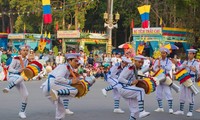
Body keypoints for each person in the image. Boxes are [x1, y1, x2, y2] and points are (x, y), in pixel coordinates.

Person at [41, 53, 81, 120]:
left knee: (61, 109)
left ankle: (57, 94)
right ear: (69, 61)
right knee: (74, 90)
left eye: (78, 61)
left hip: (47, 88)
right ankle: (57, 93)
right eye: (75, 61)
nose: (77, 63)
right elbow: (58, 78)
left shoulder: (67, 68)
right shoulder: (64, 67)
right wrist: (70, 82)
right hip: (52, 85)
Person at [117, 55, 150, 120]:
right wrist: (130, 82)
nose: (140, 64)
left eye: (142, 63)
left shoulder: (135, 68)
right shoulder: (130, 67)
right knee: (141, 91)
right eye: (139, 62)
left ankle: (139, 112)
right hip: (123, 88)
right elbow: (120, 78)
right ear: (135, 61)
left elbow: (135, 79)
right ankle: (142, 111)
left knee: (135, 110)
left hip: (127, 89)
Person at [2, 45, 30, 119]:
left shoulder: (27, 60)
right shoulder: (16, 58)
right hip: (11, 76)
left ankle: (22, 112)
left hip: (19, 79)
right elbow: (10, 69)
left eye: (27, 50)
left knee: (26, 95)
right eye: (24, 50)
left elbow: (26, 72)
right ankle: (8, 87)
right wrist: (17, 71)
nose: (25, 52)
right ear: (20, 51)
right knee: (21, 77)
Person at [173, 49, 200, 117]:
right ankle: (181, 110)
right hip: (184, 80)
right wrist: (176, 64)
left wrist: (195, 70)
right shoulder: (186, 62)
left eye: (190, 54)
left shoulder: (196, 62)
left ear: (194, 54)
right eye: (188, 53)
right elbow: (180, 68)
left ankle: (190, 111)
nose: (189, 55)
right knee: (182, 95)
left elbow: (198, 72)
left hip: (191, 80)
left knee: (190, 96)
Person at [153, 47, 174, 113]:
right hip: (158, 77)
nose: (162, 54)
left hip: (165, 78)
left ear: (166, 54)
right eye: (162, 53)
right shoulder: (157, 60)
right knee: (158, 92)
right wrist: (157, 67)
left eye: (164, 53)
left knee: (168, 92)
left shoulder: (169, 61)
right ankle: (160, 107)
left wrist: (162, 66)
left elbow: (168, 68)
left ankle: (170, 108)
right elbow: (154, 68)